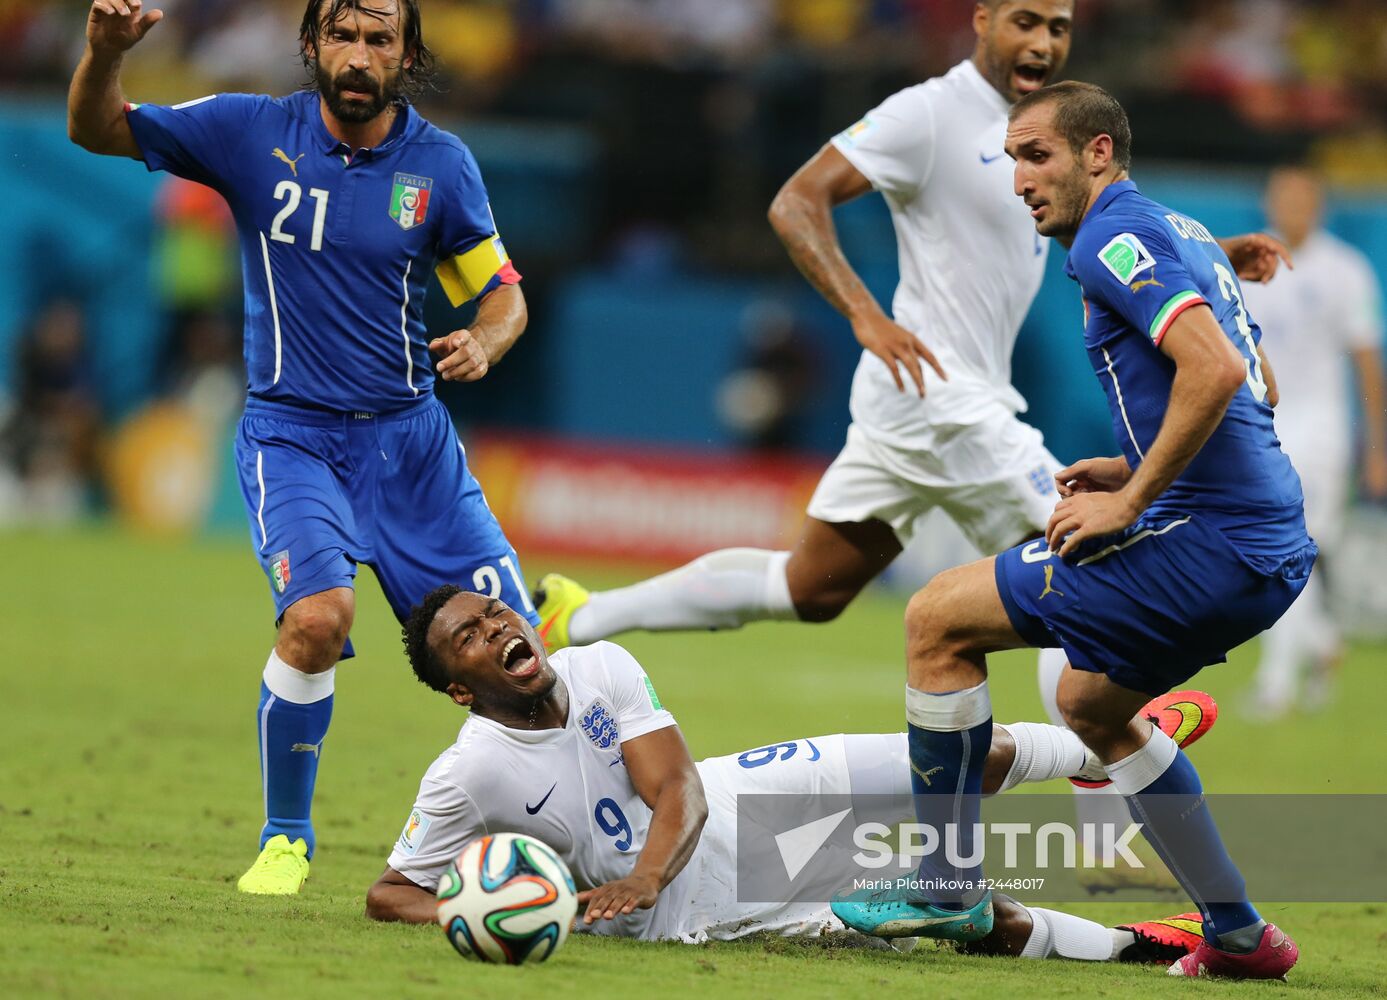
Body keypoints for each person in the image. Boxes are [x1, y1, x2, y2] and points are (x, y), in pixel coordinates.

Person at [532, 0, 1283, 887]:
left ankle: (580, 617)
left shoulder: (1038, 138)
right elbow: (794, 199)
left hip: (920, 400)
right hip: (940, 397)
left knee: (810, 586)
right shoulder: (924, 113)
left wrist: (1208, 249)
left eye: (1059, 28)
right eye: (1025, 21)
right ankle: (1100, 825)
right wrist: (865, 316)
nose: (1042, 43)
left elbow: (1087, 231)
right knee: (1083, 551)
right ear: (980, 21)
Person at [831, 81, 1315, 982]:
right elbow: (1258, 389)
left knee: (936, 619)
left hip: (1211, 542)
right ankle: (1240, 935)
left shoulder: (1110, 238)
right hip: (1269, 548)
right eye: (1010, 157)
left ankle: (944, 886)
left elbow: (1210, 371)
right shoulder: (1185, 236)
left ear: (1098, 154)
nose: (1018, 177)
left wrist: (1129, 504)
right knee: (1092, 708)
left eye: (1036, 154)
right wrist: (1132, 467)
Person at [68, 0, 539, 895]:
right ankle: (287, 837)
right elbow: (97, 130)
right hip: (295, 436)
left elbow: (501, 291)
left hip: (413, 450)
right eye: (343, 36)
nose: (359, 56)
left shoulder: (440, 166)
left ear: (407, 55)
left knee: (520, 664)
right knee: (317, 620)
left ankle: (588, 839)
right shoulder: (248, 132)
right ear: (314, 45)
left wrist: (488, 337)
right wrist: (102, 55)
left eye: (379, 39)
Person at [366, 587, 1210, 964]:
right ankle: (1142, 951)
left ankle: (1105, 749)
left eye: (493, 613)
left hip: (733, 802)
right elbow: (388, 894)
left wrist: (646, 874)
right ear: (458, 686)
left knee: (943, 757)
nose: (497, 627)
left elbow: (678, 789)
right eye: (471, 638)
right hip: (702, 914)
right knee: (971, 923)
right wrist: (495, 912)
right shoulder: (468, 772)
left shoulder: (597, 666)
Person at [1241, 167, 1387, 719]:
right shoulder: (1252, 266)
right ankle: (1320, 646)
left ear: (1318, 205)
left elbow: (1368, 364)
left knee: (1288, 548)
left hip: (1321, 428)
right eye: (1282, 199)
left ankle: (1282, 680)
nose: (1291, 208)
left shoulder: (1346, 271)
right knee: (1275, 549)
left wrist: (1375, 449)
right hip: (1263, 424)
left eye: (1301, 199)